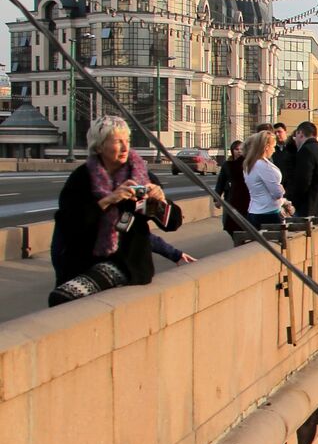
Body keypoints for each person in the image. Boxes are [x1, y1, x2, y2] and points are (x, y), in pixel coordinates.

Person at [49, 115, 185, 306]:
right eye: (117, 142)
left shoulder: (143, 177)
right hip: (83, 259)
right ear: (99, 146)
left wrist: (160, 202)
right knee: (62, 300)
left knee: (64, 297)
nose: (125, 147)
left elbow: (172, 224)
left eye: (127, 141)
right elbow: (70, 224)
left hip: (126, 262)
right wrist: (109, 199)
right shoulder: (81, 179)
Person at [288, 121, 318, 218]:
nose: (295, 140)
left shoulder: (305, 151)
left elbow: (303, 181)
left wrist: (294, 201)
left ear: (300, 134)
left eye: (296, 137)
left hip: (310, 209)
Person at [242, 129, 287, 227]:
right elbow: (277, 193)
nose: (274, 150)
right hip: (269, 214)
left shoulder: (249, 163)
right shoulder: (262, 166)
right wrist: (282, 189)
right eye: (273, 147)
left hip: (254, 211)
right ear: (266, 147)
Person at [214, 140, 250, 241]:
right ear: (232, 151)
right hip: (229, 198)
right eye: (236, 149)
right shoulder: (227, 165)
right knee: (227, 222)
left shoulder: (247, 163)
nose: (239, 152)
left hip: (244, 199)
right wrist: (216, 198)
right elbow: (220, 182)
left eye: (241, 149)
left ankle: (242, 240)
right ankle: (237, 239)